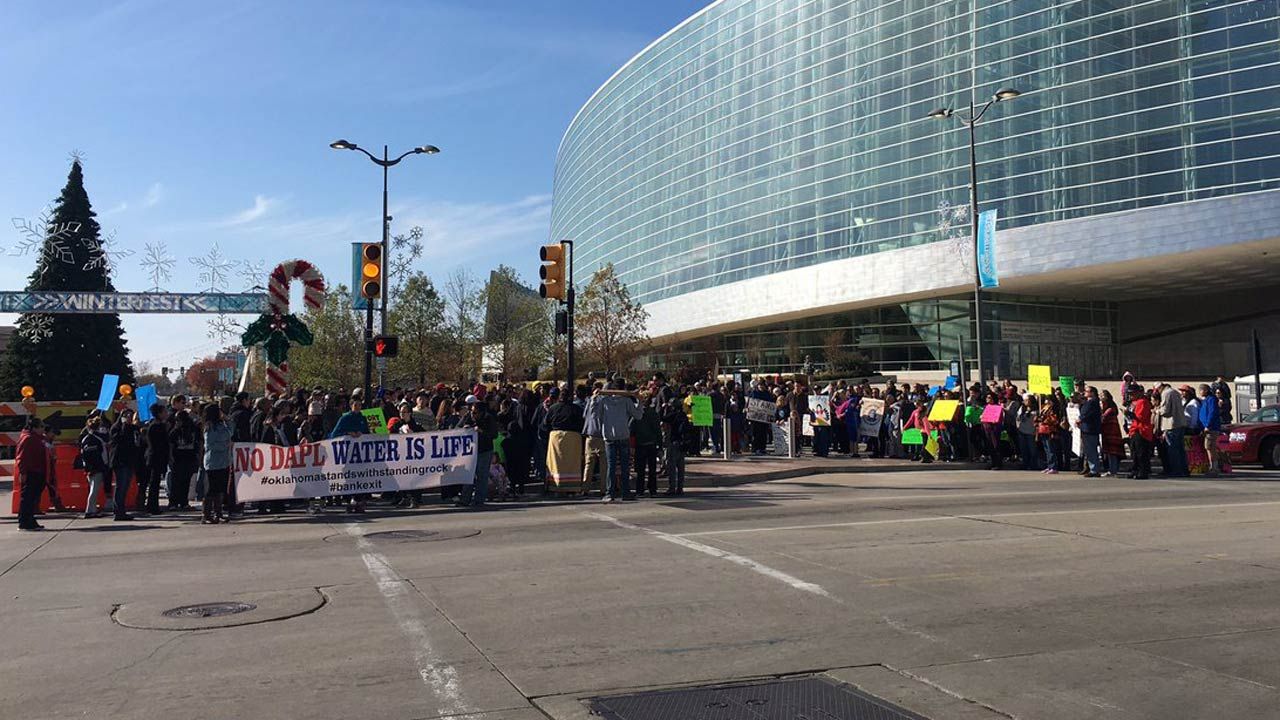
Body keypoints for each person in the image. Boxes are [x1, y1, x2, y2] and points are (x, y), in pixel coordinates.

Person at [583, 381, 643, 502]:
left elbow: (595, 416)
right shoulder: (627, 401)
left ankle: (610, 493)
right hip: (623, 436)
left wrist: (594, 399)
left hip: (609, 437)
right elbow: (638, 416)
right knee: (625, 466)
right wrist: (640, 401)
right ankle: (625, 493)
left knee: (611, 466)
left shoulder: (604, 401)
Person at [329, 398, 371, 512]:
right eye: (356, 405)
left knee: (360, 477)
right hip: (347, 454)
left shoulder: (362, 418)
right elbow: (334, 434)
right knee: (349, 478)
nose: (358, 407)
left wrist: (361, 433)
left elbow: (368, 433)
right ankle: (348, 502)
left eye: (360, 405)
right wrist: (348, 433)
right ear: (351, 406)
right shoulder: (345, 418)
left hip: (360, 454)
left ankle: (359, 502)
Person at [543, 387, 586, 494]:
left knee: (556, 464)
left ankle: (555, 486)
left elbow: (545, 424)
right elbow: (582, 423)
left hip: (556, 438)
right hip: (573, 438)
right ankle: (572, 487)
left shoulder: (553, 408)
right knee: (572, 464)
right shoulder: (577, 409)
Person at [461, 396, 499, 507]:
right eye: (472, 412)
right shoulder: (468, 416)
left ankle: (479, 500)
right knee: (468, 476)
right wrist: (464, 427)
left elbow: (494, 435)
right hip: (470, 451)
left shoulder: (488, 418)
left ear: (481, 412)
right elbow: (457, 427)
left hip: (484, 450)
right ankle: (465, 499)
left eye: (475, 413)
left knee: (482, 476)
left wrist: (481, 431)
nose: (473, 415)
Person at [16, 417, 50, 531]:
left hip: (38, 471)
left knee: (32, 498)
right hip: (31, 472)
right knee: (28, 498)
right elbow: (21, 457)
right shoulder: (28, 439)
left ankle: (29, 520)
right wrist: (23, 472)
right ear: (34, 428)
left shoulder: (38, 439)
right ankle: (25, 521)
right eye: (41, 427)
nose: (43, 429)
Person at [202, 404, 233, 524]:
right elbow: (209, 445)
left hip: (224, 461)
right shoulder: (210, 427)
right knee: (212, 489)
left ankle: (218, 513)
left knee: (221, 489)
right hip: (213, 462)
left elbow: (231, 431)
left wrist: (227, 419)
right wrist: (225, 445)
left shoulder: (222, 425)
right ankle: (207, 514)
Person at [109, 409, 141, 521]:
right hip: (120, 461)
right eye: (126, 415)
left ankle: (121, 509)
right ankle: (118, 511)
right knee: (120, 486)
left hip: (130, 461)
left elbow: (137, 442)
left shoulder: (134, 429)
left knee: (125, 486)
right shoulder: (116, 428)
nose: (128, 417)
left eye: (130, 416)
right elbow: (117, 440)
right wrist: (124, 425)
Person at [80, 413, 111, 518]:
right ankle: (89, 510)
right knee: (94, 489)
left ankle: (93, 509)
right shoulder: (94, 439)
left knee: (94, 489)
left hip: (91, 467)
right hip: (96, 468)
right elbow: (95, 455)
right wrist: (100, 466)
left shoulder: (88, 438)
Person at [142, 404, 170, 515]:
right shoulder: (155, 426)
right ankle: (152, 506)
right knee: (154, 483)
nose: (166, 414)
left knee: (155, 482)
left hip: (158, 457)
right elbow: (158, 444)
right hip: (155, 457)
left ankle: (153, 505)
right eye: (164, 412)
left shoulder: (160, 425)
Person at [168, 409, 199, 510]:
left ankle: (177, 502)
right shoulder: (179, 431)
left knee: (179, 482)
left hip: (182, 458)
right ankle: (181, 502)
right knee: (182, 481)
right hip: (184, 458)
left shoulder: (188, 430)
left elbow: (171, 445)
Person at [632, 393, 662, 497]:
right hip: (651, 444)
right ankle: (652, 489)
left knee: (640, 470)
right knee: (652, 469)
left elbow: (631, 428)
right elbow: (658, 430)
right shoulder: (653, 413)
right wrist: (660, 445)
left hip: (640, 444)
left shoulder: (637, 413)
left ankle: (640, 490)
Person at [661, 398, 692, 495]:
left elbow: (662, 418)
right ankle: (680, 487)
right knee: (681, 466)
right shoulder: (683, 416)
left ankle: (672, 487)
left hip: (674, 442)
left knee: (672, 466)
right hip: (683, 443)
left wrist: (664, 408)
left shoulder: (673, 415)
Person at [1157, 383, 1187, 478]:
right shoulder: (1175, 392)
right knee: (1180, 449)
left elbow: (1166, 410)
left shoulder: (1166, 393)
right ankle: (1184, 470)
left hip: (1171, 424)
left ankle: (1176, 470)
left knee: (1172, 449)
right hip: (1180, 423)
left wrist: (1157, 411)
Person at [1127, 387, 1154, 479]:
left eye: (1132, 393)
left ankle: (1142, 471)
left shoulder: (1142, 402)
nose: (1130, 396)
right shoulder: (1135, 403)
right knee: (1134, 452)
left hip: (1141, 430)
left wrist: (1130, 414)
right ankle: (1135, 470)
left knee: (1141, 453)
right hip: (1135, 429)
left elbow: (1140, 417)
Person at [1076, 386, 1102, 477]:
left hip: (1090, 429)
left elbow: (1086, 414)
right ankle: (1091, 468)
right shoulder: (1088, 402)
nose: (1084, 392)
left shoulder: (1092, 403)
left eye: (1086, 391)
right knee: (1088, 450)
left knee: (1091, 450)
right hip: (1086, 429)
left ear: (1092, 393)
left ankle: (1094, 470)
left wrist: (1080, 419)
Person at [1199, 384, 1224, 476]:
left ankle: (1214, 467)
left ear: (1205, 390)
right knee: (1209, 447)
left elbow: (1212, 413)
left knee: (1210, 447)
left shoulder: (1211, 400)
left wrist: (1208, 425)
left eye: (1201, 390)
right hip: (1206, 427)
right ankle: (1212, 466)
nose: (1200, 392)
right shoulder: (1205, 400)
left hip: (1211, 428)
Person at [1100, 390, 1124, 477]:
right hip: (1108, 432)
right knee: (1109, 453)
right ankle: (1112, 469)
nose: (1101, 397)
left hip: (1112, 432)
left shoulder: (1110, 409)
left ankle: (1113, 470)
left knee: (1113, 452)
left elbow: (1103, 418)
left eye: (1103, 396)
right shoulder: (1107, 408)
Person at [1036, 395, 1061, 474]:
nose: (1046, 401)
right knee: (1046, 449)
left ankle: (1053, 466)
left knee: (1051, 449)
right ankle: (1049, 465)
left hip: (1050, 430)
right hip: (1042, 430)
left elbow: (1054, 420)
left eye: (1048, 399)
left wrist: (1044, 419)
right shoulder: (1044, 407)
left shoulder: (1053, 408)